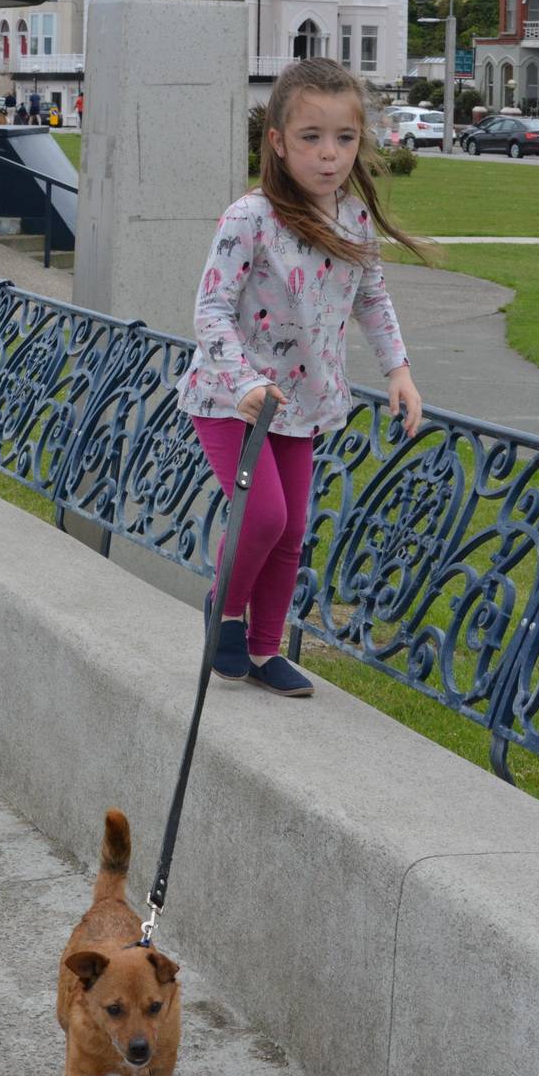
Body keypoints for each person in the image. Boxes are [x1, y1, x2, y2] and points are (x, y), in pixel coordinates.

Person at [177, 58, 424, 698]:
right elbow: (210, 309)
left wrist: (398, 370)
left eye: (344, 138)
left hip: (303, 402)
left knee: (291, 529)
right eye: (311, 137)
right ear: (279, 143)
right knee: (262, 517)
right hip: (231, 400)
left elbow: (372, 298)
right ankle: (224, 611)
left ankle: (265, 651)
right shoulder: (250, 217)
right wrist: (243, 382)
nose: (329, 154)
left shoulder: (353, 218)